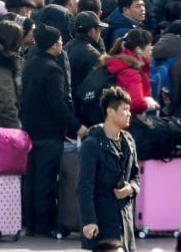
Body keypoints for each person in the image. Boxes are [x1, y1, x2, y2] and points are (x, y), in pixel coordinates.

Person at [22, 24, 87, 238]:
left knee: (31, 178)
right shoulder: (53, 69)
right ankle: (44, 223)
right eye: (59, 41)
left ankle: (29, 222)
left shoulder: (30, 65)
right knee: (45, 180)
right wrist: (76, 126)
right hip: (49, 132)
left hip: (30, 129)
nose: (61, 45)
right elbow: (58, 104)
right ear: (52, 45)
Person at [77, 86, 139, 252]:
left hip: (124, 221)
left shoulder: (129, 142)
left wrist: (131, 188)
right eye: (125, 109)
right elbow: (84, 185)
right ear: (110, 112)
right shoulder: (92, 144)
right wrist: (89, 221)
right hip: (102, 221)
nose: (129, 114)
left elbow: (136, 175)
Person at [104, 28, 159, 116]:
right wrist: (149, 103)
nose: (151, 48)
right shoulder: (131, 72)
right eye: (149, 45)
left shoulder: (121, 61)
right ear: (138, 50)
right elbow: (136, 103)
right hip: (129, 122)